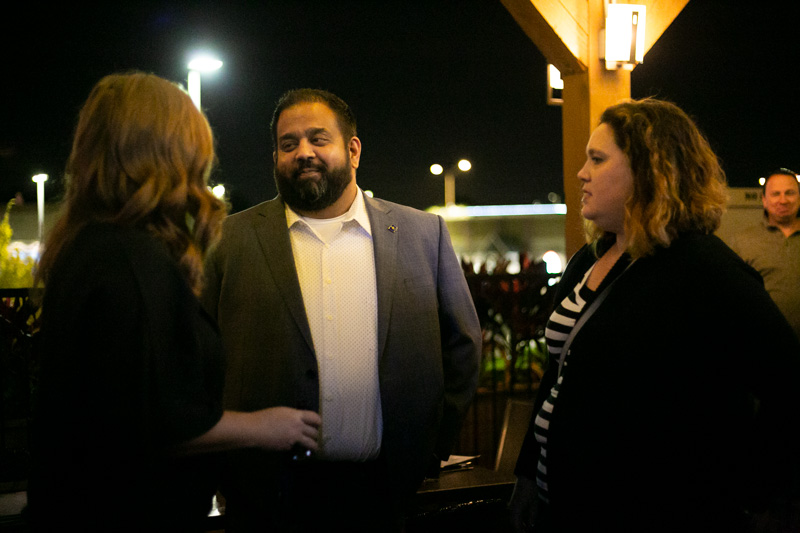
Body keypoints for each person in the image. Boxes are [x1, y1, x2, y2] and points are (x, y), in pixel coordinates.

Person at [26, 72, 321, 532]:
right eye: (193, 148)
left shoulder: (91, 244)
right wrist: (267, 426)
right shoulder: (130, 258)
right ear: (163, 152)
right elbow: (151, 422)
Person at [508, 98, 800, 532]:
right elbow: (558, 374)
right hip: (561, 504)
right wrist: (529, 473)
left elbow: (787, 386)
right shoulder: (591, 257)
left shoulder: (705, 268)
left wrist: (750, 492)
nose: (582, 173)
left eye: (597, 159)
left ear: (650, 171)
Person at [200, 88, 482, 532]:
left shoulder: (423, 234)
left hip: (384, 494)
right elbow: (197, 359)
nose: (303, 153)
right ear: (275, 157)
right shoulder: (227, 241)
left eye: (318, 139)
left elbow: (463, 344)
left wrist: (430, 447)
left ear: (353, 150)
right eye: (288, 144)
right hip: (263, 497)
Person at [731, 168, 800, 341]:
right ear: (764, 200)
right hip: (765, 345)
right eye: (776, 194)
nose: (783, 200)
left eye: (790, 193)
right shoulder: (743, 242)